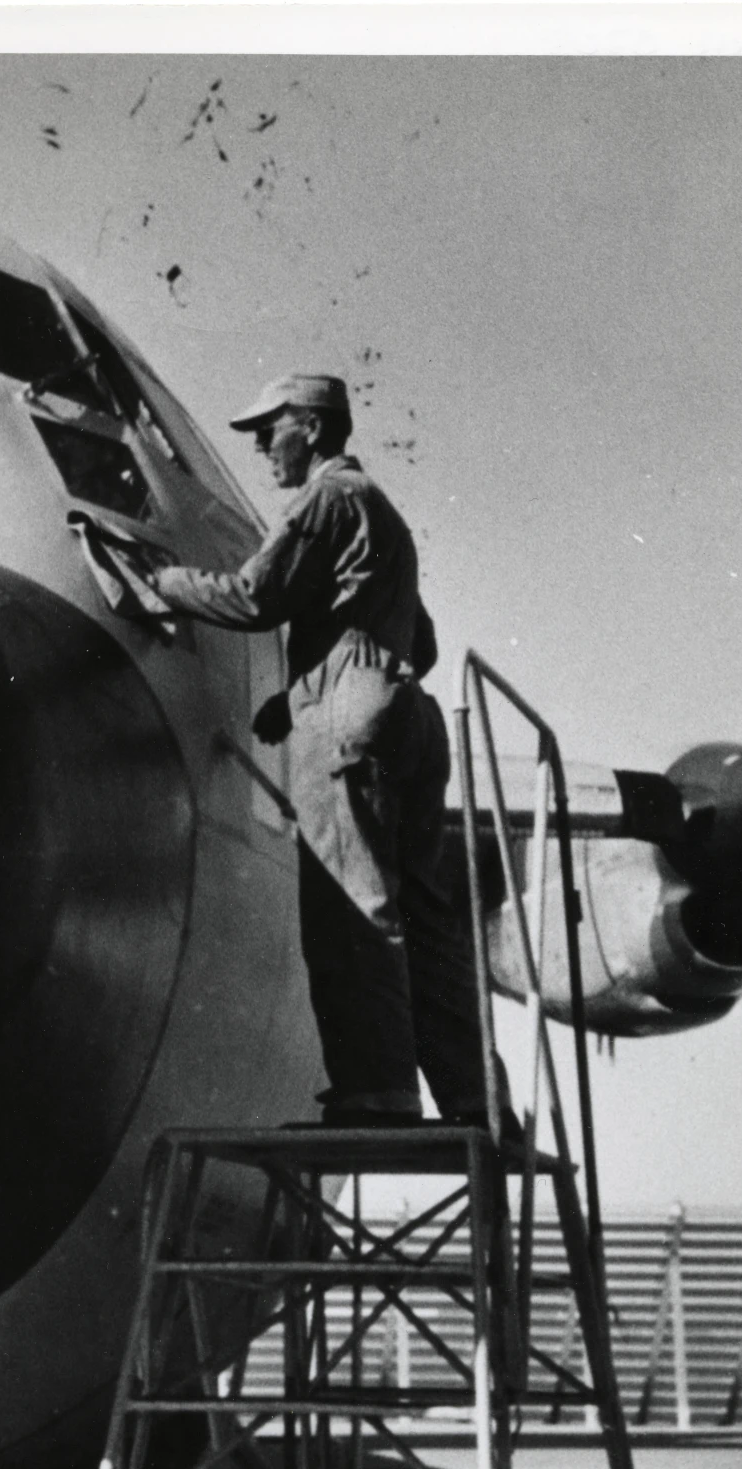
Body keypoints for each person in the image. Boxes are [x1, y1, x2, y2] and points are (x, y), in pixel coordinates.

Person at [142, 373, 505, 1129]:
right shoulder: (379, 512)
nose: (257, 445)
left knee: (350, 906)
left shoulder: (324, 498)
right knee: (431, 921)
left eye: (267, 428)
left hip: (352, 715)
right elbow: (422, 642)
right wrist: (307, 691)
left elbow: (252, 597)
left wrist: (163, 581)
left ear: (308, 427)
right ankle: (475, 1096)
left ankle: (377, 1091)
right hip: (408, 715)